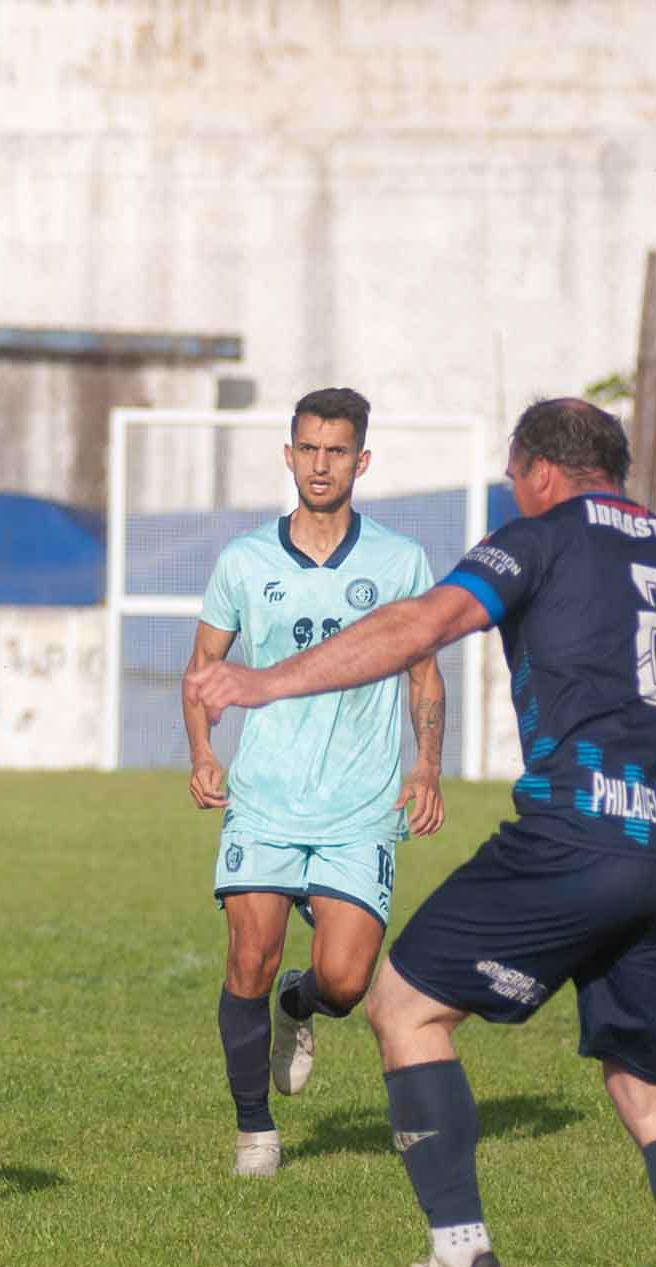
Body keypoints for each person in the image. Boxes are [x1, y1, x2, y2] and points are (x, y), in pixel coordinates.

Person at [190, 398, 656, 1267]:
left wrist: (265, 681)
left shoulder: (534, 539)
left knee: (404, 1006)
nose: (514, 489)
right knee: (651, 1087)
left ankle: (459, 1253)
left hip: (573, 834)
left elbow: (422, 624)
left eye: (515, 475)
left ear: (541, 471)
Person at [181, 387, 446, 1180]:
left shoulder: (400, 561)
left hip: (360, 806)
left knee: (345, 979)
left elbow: (425, 678)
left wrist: (426, 763)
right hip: (263, 799)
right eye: (307, 448)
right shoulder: (245, 561)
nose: (319, 464)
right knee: (247, 961)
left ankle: (302, 1006)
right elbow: (202, 671)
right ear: (288, 454)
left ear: (361, 461)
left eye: (336, 451)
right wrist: (202, 750)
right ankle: (254, 1133)